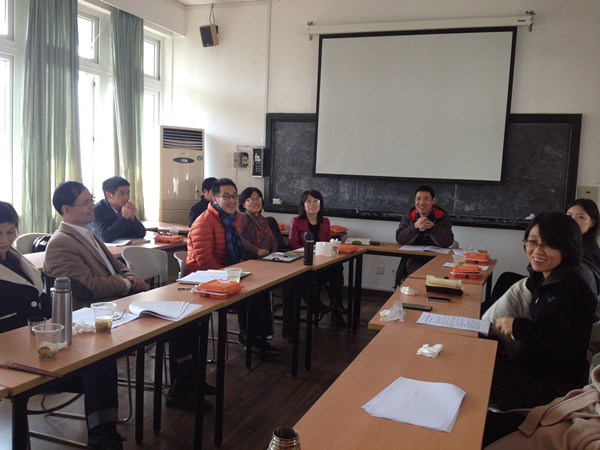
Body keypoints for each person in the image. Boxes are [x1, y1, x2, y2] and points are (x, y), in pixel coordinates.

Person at [0, 201, 123, 449]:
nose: (4, 239)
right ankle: (103, 434)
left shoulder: (18, 260)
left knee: (100, 357)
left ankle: (103, 433)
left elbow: (42, 306)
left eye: (10, 232)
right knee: (95, 368)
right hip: (12, 360)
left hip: (43, 349)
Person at [488, 211, 597, 411]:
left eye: (548, 244)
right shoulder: (543, 278)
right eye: (532, 242)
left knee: (477, 376)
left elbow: (569, 351)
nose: (537, 251)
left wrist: (519, 327)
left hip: (555, 384)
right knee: (479, 362)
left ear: (567, 248)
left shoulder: (576, 290)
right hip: (532, 366)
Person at [186, 178, 281, 355]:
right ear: (215, 199)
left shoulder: (236, 218)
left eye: (234, 196)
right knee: (249, 291)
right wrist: (230, 278)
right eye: (226, 196)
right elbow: (205, 262)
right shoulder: (203, 222)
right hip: (203, 278)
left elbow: (239, 249)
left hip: (227, 271)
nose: (232, 200)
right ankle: (249, 337)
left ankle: (258, 337)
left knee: (260, 287)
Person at [44, 181, 150, 310]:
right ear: (66, 209)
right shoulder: (60, 244)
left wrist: (130, 276)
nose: (92, 206)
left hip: (117, 303)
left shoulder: (87, 233)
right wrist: (126, 283)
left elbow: (114, 264)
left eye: (92, 200)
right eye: (86, 203)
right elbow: (88, 287)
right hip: (94, 313)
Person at [285, 189, 347, 330]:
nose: (312, 204)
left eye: (316, 201)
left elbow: (327, 242)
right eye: (308, 201)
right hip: (304, 263)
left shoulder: (325, 221)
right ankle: (318, 306)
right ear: (303, 204)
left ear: (321, 204)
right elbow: (293, 245)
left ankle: (336, 309)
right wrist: (313, 252)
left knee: (337, 268)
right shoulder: (296, 221)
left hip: (321, 263)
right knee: (302, 279)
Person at [236, 187, 279, 354]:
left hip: (264, 264)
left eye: (258, 198)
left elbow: (273, 240)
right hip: (248, 264)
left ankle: (261, 336)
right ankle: (249, 335)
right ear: (243, 204)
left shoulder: (263, 220)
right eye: (251, 199)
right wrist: (257, 251)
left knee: (264, 296)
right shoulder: (243, 218)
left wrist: (274, 253)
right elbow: (239, 239)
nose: (256, 202)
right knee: (256, 297)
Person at [395, 185, 454, 284]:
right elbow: (399, 238)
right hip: (415, 257)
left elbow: (448, 241)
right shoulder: (409, 217)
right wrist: (414, 226)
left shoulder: (443, 217)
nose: (421, 202)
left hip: (437, 258)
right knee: (413, 265)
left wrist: (433, 228)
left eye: (426, 199)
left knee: (437, 270)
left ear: (433, 201)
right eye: (418, 199)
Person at [90, 176, 147, 243]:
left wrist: (132, 219)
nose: (127, 197)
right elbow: (105, 237)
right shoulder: (96, 210)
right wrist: (124, 218)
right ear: (109, 195)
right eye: (122, 194)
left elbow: (141, 234)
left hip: (125, 247)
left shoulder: (124, 207)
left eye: (128, 193)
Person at [567, 198, 600, 267]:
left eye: (580, 217)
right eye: (569, 216)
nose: (572, 221)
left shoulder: (588, 256)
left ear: (592, 223)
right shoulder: (570, 244)